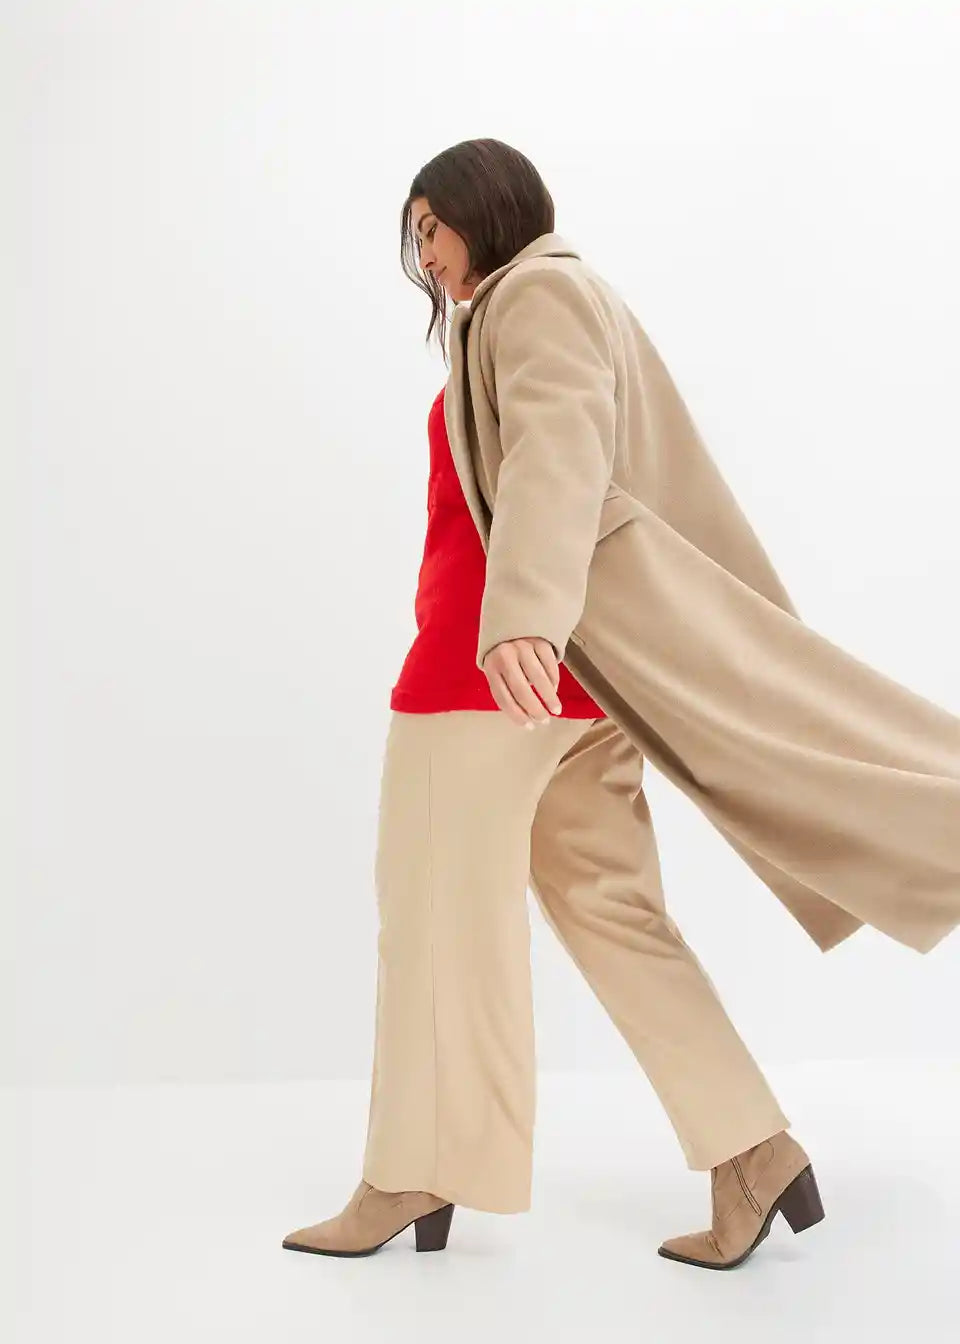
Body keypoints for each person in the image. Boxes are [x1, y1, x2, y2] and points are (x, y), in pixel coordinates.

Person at [281, 139, 956, 1270]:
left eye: (433, 226)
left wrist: (522, 617)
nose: (424, 254)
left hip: (486, 675)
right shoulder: (541, 303)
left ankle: (411, 1171)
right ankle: (751, 1152)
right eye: (414, 235)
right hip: (579, 687)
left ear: (489, 210)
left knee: (436, 923)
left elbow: (561, 452)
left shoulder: (536, 293)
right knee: (615, 915)